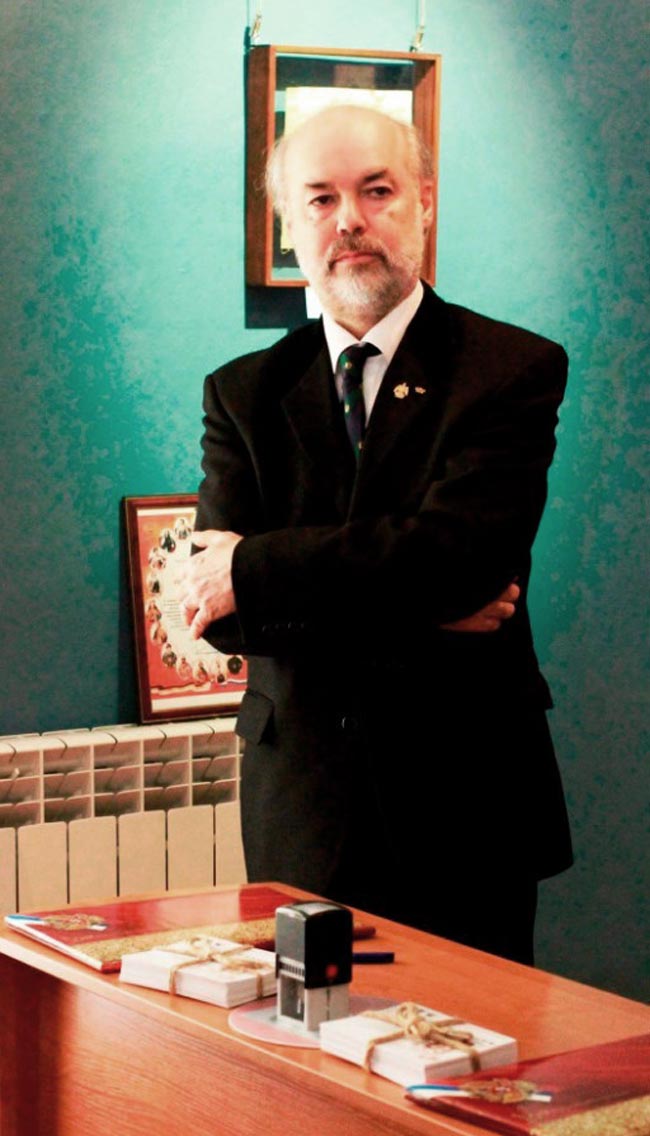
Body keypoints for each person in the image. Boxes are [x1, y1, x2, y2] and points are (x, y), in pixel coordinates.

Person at [179, 105, 572, 964]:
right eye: (320, 199)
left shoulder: (511, 369)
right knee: (304, 1045)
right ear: (290, 227)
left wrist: (258, 566)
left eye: (377, 191)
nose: (349, 219)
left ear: (424, 201)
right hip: (305, 808)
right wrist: (418, 602)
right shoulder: (242, 393)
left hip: (466, 809)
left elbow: (460, 559)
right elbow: (221, 617)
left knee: (467, 1047)